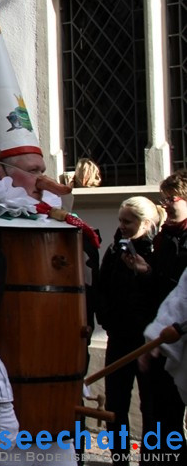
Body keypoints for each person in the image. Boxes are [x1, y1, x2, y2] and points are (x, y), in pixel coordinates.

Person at [0, 0, 98, 465]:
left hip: (50, 411)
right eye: (32, 172)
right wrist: (2, 408)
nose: (44, 182)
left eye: (44, 170)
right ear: (0, 174)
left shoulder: (42, 226)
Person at [95, 195, 171, 463]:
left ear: (145, 222)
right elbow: (102, 287)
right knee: (116, 404)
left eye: (128, 221)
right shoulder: (116, 250)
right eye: (120, 220)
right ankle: (119, 457)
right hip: (119, 337)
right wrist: (106, 318)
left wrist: (145, 272)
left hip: (148, 343)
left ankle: (152, 458)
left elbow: (164, 295)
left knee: (150, 406)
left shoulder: (158, 251)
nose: (122, 226)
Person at [130, 171, 187, 462]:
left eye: (171, 199)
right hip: (166, 332)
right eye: (162, 200)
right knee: (164, 409)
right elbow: (167, 290)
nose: (165, 206)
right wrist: (147, 271)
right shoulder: (164, 237)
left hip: (180, 333)